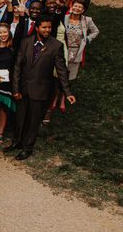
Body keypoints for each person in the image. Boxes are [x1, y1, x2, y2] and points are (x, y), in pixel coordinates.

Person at [7, 16, 76, 160]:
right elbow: (17, 67)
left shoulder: (56, 45)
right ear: (37, 28)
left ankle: (28, 148)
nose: (47, 30)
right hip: (23, 89)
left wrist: (67, 92)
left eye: (49, 27)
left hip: (41, 90)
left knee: (33, 121)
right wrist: (15, 89)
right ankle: (17, 142)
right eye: (44, 27)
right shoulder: (26, 42)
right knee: (20, 118)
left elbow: (62, 70)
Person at [62, 0, 99, 81]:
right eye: (75, 6)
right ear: (71, 6)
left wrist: (87, 39)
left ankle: (66, 92)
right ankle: (57, 92)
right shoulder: (64, 18)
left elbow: (95, 31)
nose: (77, 8)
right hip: (63, 49)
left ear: (83, 10)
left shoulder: (87, 20)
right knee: (59, 73)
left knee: (70, 76)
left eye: (80, 7)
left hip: (76, 51)